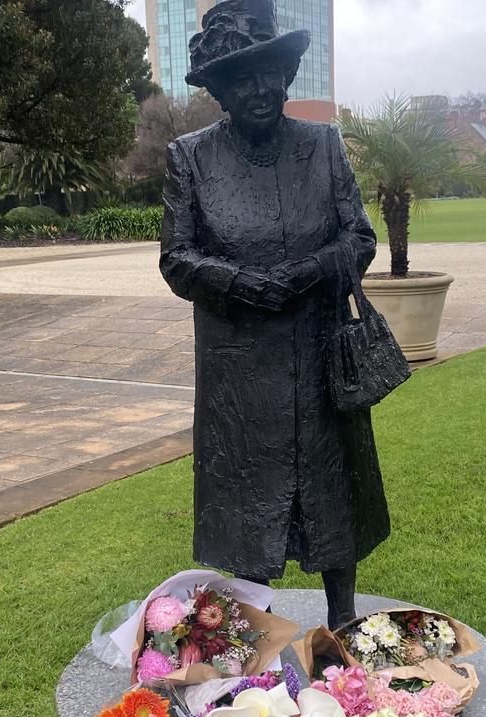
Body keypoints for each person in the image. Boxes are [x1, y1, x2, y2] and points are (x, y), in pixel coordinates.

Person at [160, 0, 390, 629]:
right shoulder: (191, 157)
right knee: (246, 498)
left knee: (332, 488)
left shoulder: (322, 145)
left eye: (270, 73)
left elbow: (359, 238)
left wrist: (309, 272)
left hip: (320, 354)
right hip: (239, 367)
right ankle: (253, 633)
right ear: (219, 90)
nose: (260, 89)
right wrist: (239, 283)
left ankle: (341, 622)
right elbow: (177, 259)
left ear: (287, 75)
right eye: (242, 78)